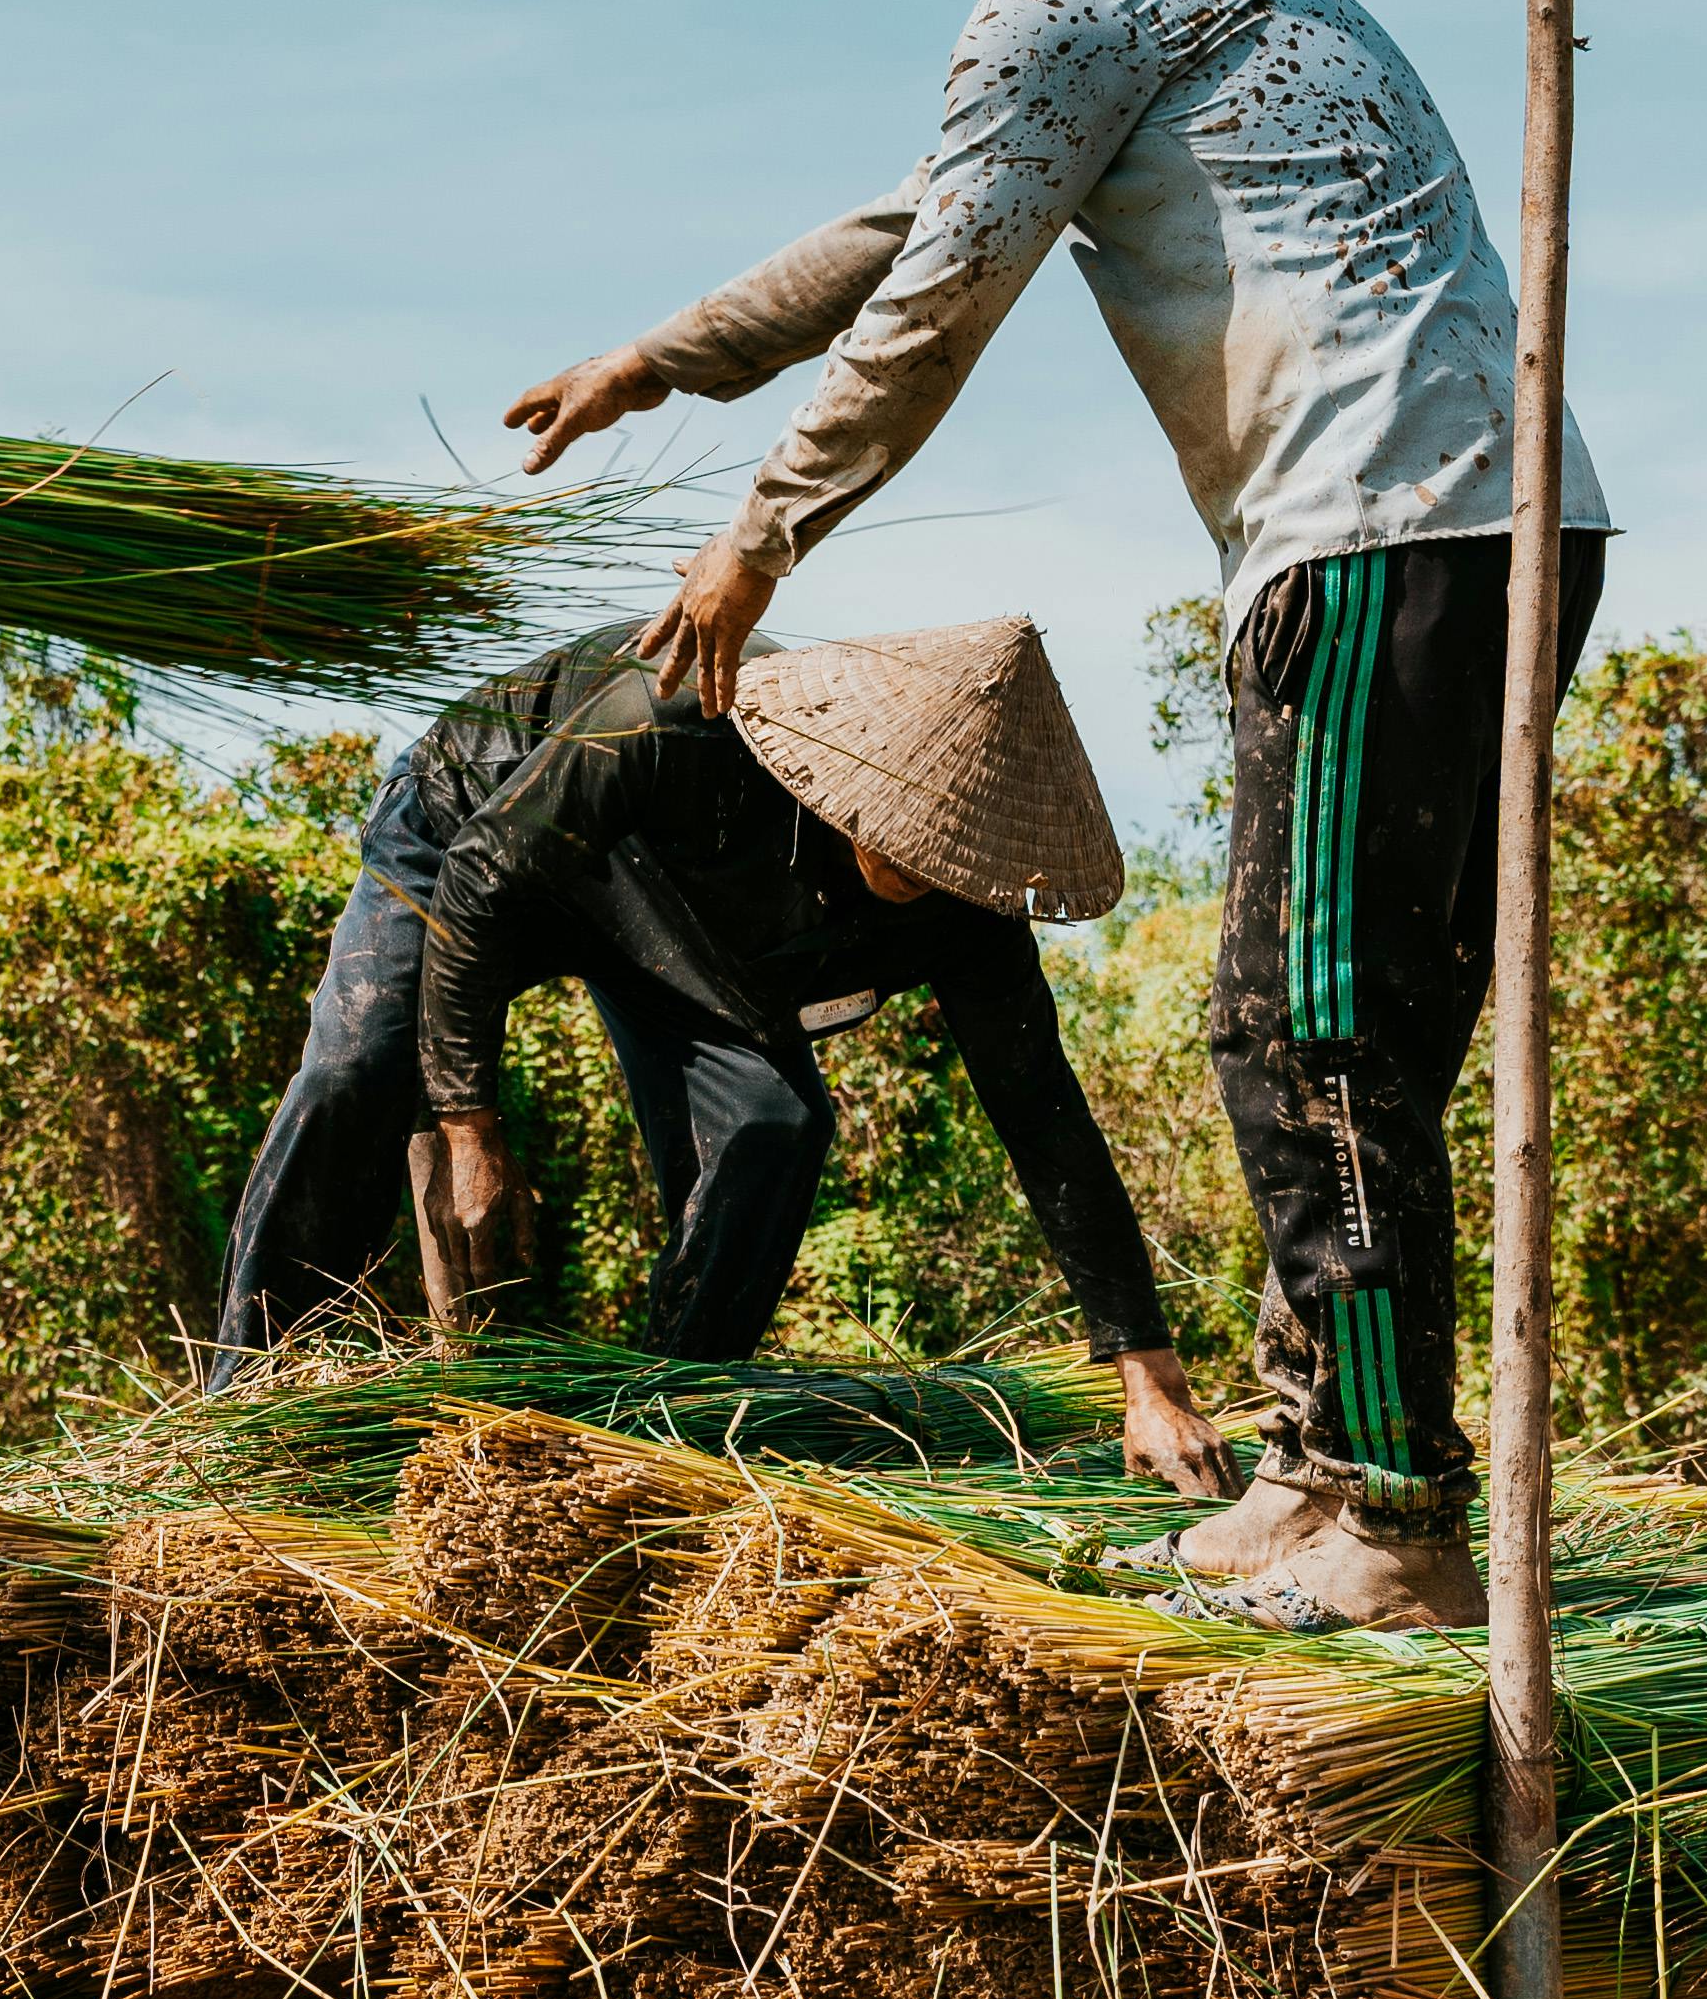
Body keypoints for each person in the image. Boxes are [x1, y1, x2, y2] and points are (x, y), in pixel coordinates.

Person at [506, 0, 1610, 1632]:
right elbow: (914, 223)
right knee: (1309, 1018)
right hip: (1439, 528)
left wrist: (762, 533)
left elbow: (935, 302)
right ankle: (1316, 1467)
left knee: (1320, 1030)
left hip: (1394, 528)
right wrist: (661, 358)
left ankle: (1383, 1510)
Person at [209, 609, 1232, 1481]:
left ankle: (655, 1424)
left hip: (680, 922)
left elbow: (1043, 1114)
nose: (927, 869)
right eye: (909, 838)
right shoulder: (673, 718)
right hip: (485, 820)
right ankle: (246, 1401)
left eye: (950, 859)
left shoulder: (967, 904)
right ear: (853, 782)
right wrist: (470, 1129)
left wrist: (1148, 1371)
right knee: (359, 1069)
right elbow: (484, 878)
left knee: (772, 1126)